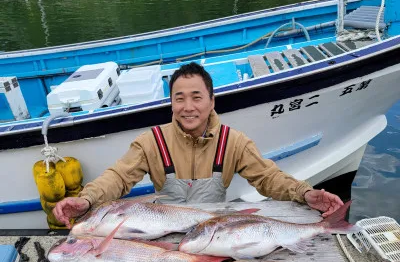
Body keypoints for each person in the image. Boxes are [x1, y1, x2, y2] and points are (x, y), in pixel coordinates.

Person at [53, 62, 344, 228]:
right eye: (179, 98)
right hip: (162, 232)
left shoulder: (234, 142)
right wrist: (87, 200)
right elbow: (117, 177)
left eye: (196, 97)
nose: (187, 107)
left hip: (215, 230)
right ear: (171, 102)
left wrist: (305, 192)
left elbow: (269, 178)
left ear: (211, 101)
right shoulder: (151, 141)